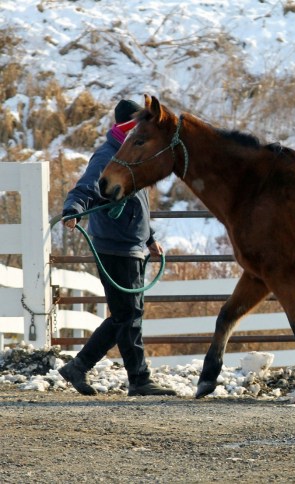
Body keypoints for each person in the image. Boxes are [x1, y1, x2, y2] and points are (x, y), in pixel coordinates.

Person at [59, 99, 176, 397]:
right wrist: (73, 208)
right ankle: (137, 378)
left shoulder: (132, 158)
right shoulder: (107, 156)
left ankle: (82, 367)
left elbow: (137, 203)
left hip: (132, 245)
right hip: (115, 245)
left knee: (126, 315)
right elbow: (86, 186)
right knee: (129, 315)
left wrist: (149, 239)